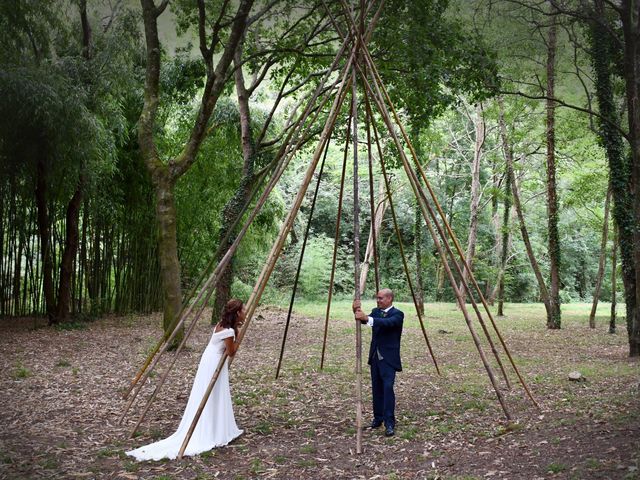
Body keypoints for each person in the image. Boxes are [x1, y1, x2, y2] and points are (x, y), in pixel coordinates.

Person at [126, 299, 245, 461]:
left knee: (211, 393)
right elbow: (231, 352)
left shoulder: (221, 324)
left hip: (209, 359)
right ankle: (210, 429)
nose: (245, 312)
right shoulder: (229, 332)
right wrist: (239, 338)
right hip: (213, 362)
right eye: (243, 310)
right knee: (211, 394)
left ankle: (215, 425)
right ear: (237, 313)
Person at [353, 288, 404, 437]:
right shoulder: (376, 311)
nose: (378, 300)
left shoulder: (398, 314)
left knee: (388, 388)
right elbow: (364, 319)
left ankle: (389, 423)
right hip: (375, 356)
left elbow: (387, 323)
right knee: (376, 388)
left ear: (389, 299)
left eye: (381, 298)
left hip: (388, 359)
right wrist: (356, 310)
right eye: (377, 298)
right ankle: (378, 418)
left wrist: (367, 319)